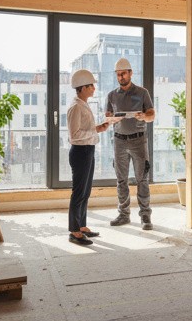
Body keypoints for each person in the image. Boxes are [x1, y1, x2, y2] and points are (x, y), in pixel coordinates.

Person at [105, 57, 155, 230]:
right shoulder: (111, 95)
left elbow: (152, 114)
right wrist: (110, 119)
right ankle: (124, 214)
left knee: (142, 179)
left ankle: (145, 216)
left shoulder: (142, 93)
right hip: (119, 141)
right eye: (118, 75)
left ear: (130, 73)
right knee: (121, 180)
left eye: (123, 74)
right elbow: (108, 115)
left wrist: (144, 116)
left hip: (138, 141)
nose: (121, 77)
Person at [67, 67, 110, 246]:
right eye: (91, 85)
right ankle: (74, 231)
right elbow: (75, 135)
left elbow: (86, 130)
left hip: (88, 150)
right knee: (78, 193)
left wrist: (98, 128)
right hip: (80, 152)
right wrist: (94, 132)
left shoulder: (84, 104)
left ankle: (82, 226)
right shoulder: (76, 107)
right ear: (82, 87)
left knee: (85, 192)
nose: (94, 88)